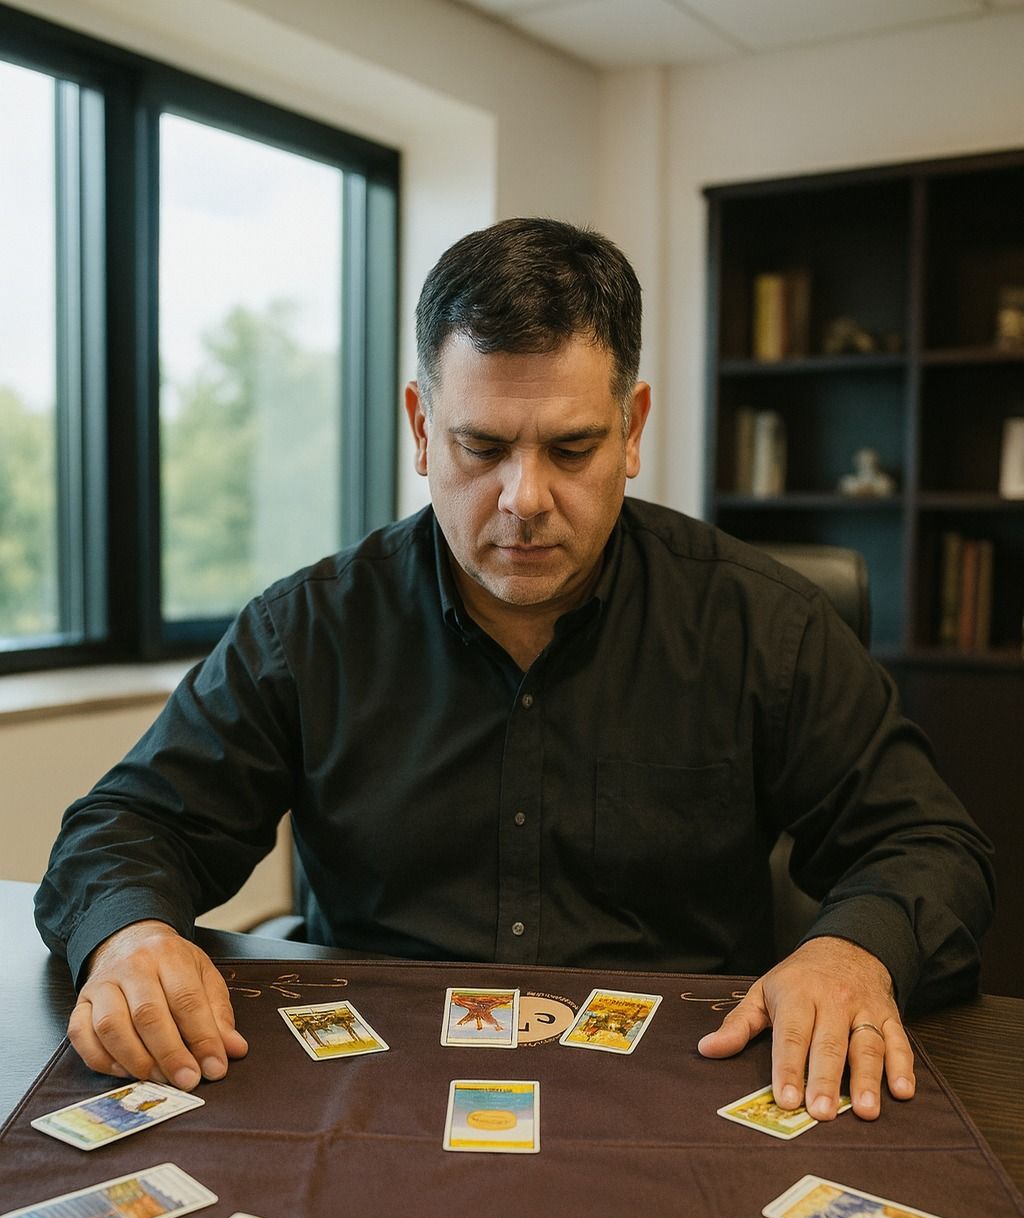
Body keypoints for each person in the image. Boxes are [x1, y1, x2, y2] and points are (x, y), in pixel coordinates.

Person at [35, 218, 994, 1125]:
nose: (524, 499)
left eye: (571, 449)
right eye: (481, 447)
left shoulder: (763, 624)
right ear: (421, 427)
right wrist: (132, 935)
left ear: (632, 429)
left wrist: (854, 951)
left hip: (685, 1092)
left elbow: (928, 844)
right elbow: (125, 826)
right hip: (372, 1095)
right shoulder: (310, 630)